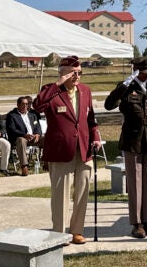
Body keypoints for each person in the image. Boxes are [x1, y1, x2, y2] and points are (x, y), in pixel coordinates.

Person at [33, 55, 101, 245]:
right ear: (62, 73)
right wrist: (58, 84)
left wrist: (95, 137)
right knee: (61, 194)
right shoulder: (51, 90)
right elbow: (38, 106)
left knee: (82, 191)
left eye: (79, 73)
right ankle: (59, 233)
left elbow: (91, 119)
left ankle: (76, 231)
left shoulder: (85, 91)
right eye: (73, 73)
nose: (77, 76)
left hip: (84, 148)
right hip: (60, 149)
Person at [104, 57, 147, 238]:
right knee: (135, 183)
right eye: (143, 71)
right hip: (132, 141)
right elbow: (109, 105)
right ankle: (137, 223)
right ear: (136, 70)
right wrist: (124, 86)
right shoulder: (126, 87)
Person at [6, 96, 43, 176]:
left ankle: (47, 163)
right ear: (18, 105)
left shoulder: (32, 115)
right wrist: (24, 135)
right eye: (23, 104)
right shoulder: (12, 116)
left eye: (27, 104)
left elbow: (38, 126)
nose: (25, 106)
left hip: (33, 138)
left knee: (47, 139)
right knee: (21, 140)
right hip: (21, 138)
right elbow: (12, 129)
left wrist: (37, 134)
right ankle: (24, 167)